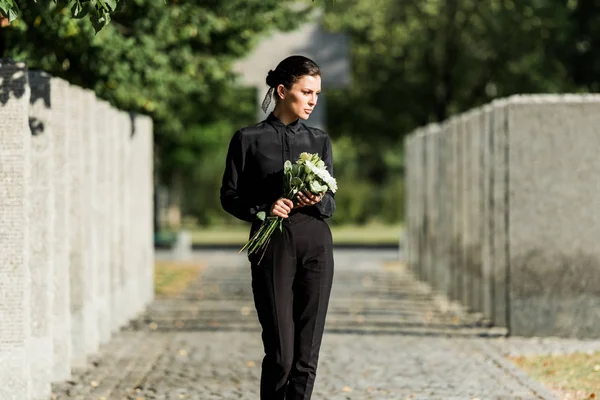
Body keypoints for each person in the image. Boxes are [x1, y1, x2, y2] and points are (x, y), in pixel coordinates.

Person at [220, 55, 336, 400]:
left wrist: (314, 198)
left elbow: (330, 205)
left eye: (316, 93)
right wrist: (262, 210)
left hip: (316, 245)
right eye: (306, 92)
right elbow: (229, 195)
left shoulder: (319, 141)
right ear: (283, 91)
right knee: (282, 356)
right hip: (272, 247)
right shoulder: (248, 139)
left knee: (305, 357)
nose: (313, 100)